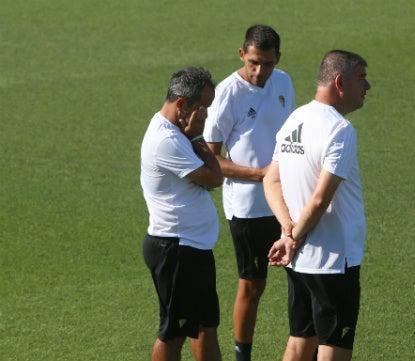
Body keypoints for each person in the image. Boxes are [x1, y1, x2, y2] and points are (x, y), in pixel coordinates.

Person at [263, 50, 371, 361]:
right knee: (334, 347)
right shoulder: (340, 130)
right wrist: (293, 236)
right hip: (334, 260)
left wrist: (287, 232)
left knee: (299, 342)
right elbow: (321, 199)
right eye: (362, 77)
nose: (368, 86)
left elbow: (270, 180)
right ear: (340, 81)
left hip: (299, 261)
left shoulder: (295, 118)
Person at [203, 24, 295, 361]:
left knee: (304, 277)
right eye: (254, 62)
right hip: (248, 208)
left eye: (267, 63)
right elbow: (210, 157)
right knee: (253, 284)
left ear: (278, 59)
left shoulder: (283, 82)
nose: (259, 71)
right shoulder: (227, 94)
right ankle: (243, 356)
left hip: (288, 203)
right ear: (242, 54)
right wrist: (262, 176)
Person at [140, 67, 224, 361]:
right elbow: (214, 177)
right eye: (203, 109)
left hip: (193, 246)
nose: (206, 116)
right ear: (181, 105)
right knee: (172, 333)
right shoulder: (169, 141)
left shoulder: (176, 133)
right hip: (175, 248)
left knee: (206, 327)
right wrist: (199, 136)